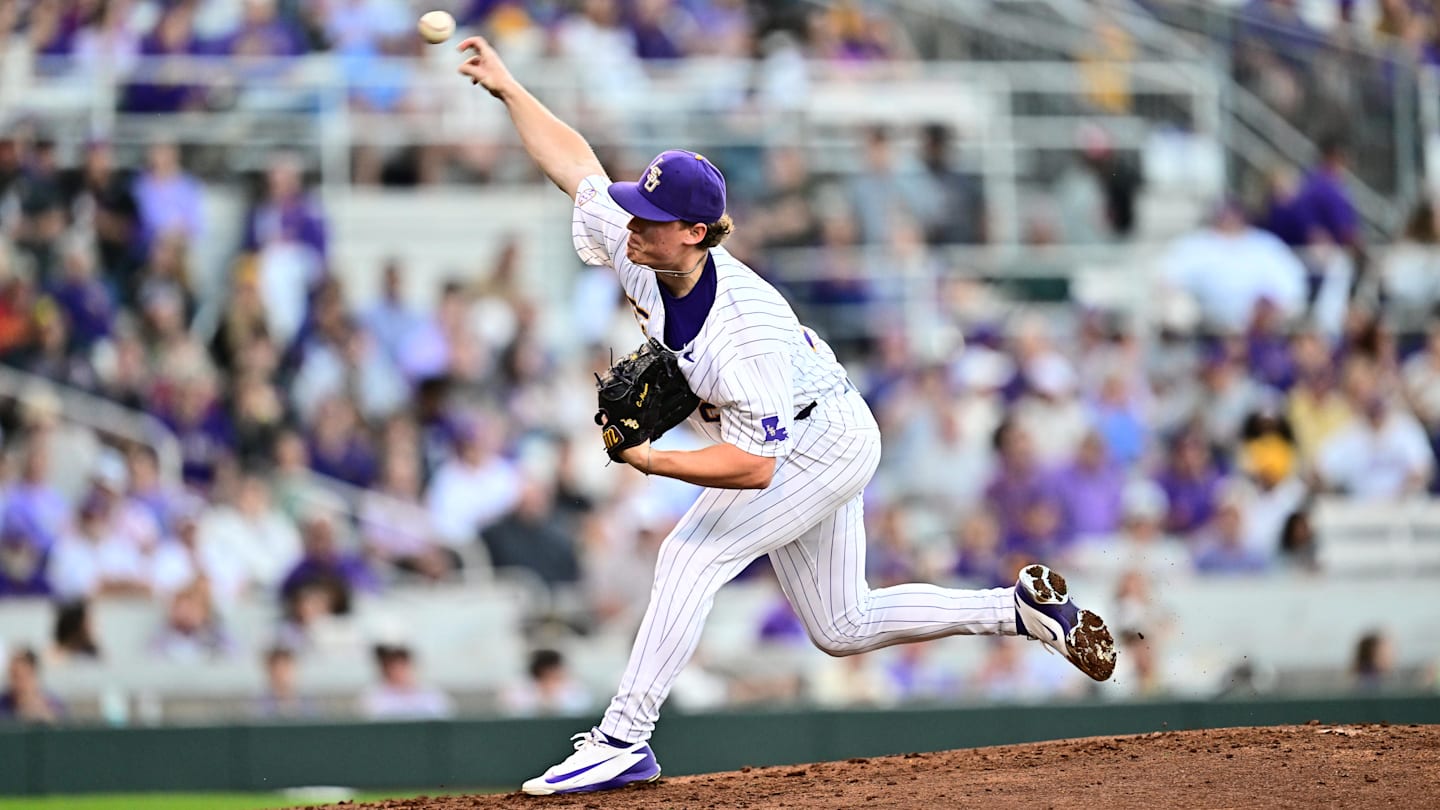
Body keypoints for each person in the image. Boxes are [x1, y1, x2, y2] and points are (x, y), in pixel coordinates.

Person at [454, 35, 1117, 796]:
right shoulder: (643, 244)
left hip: (818, 440)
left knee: (689, 555)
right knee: (841, 625)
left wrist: (651, 461)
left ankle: (623, 738)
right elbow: (576, 168)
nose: (631, 225)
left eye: (651, 219)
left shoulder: (743, 335)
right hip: (804, 424)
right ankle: (1022, 611)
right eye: (636, 211)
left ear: (695, 232)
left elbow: (754, 468)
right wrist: (509, 88)